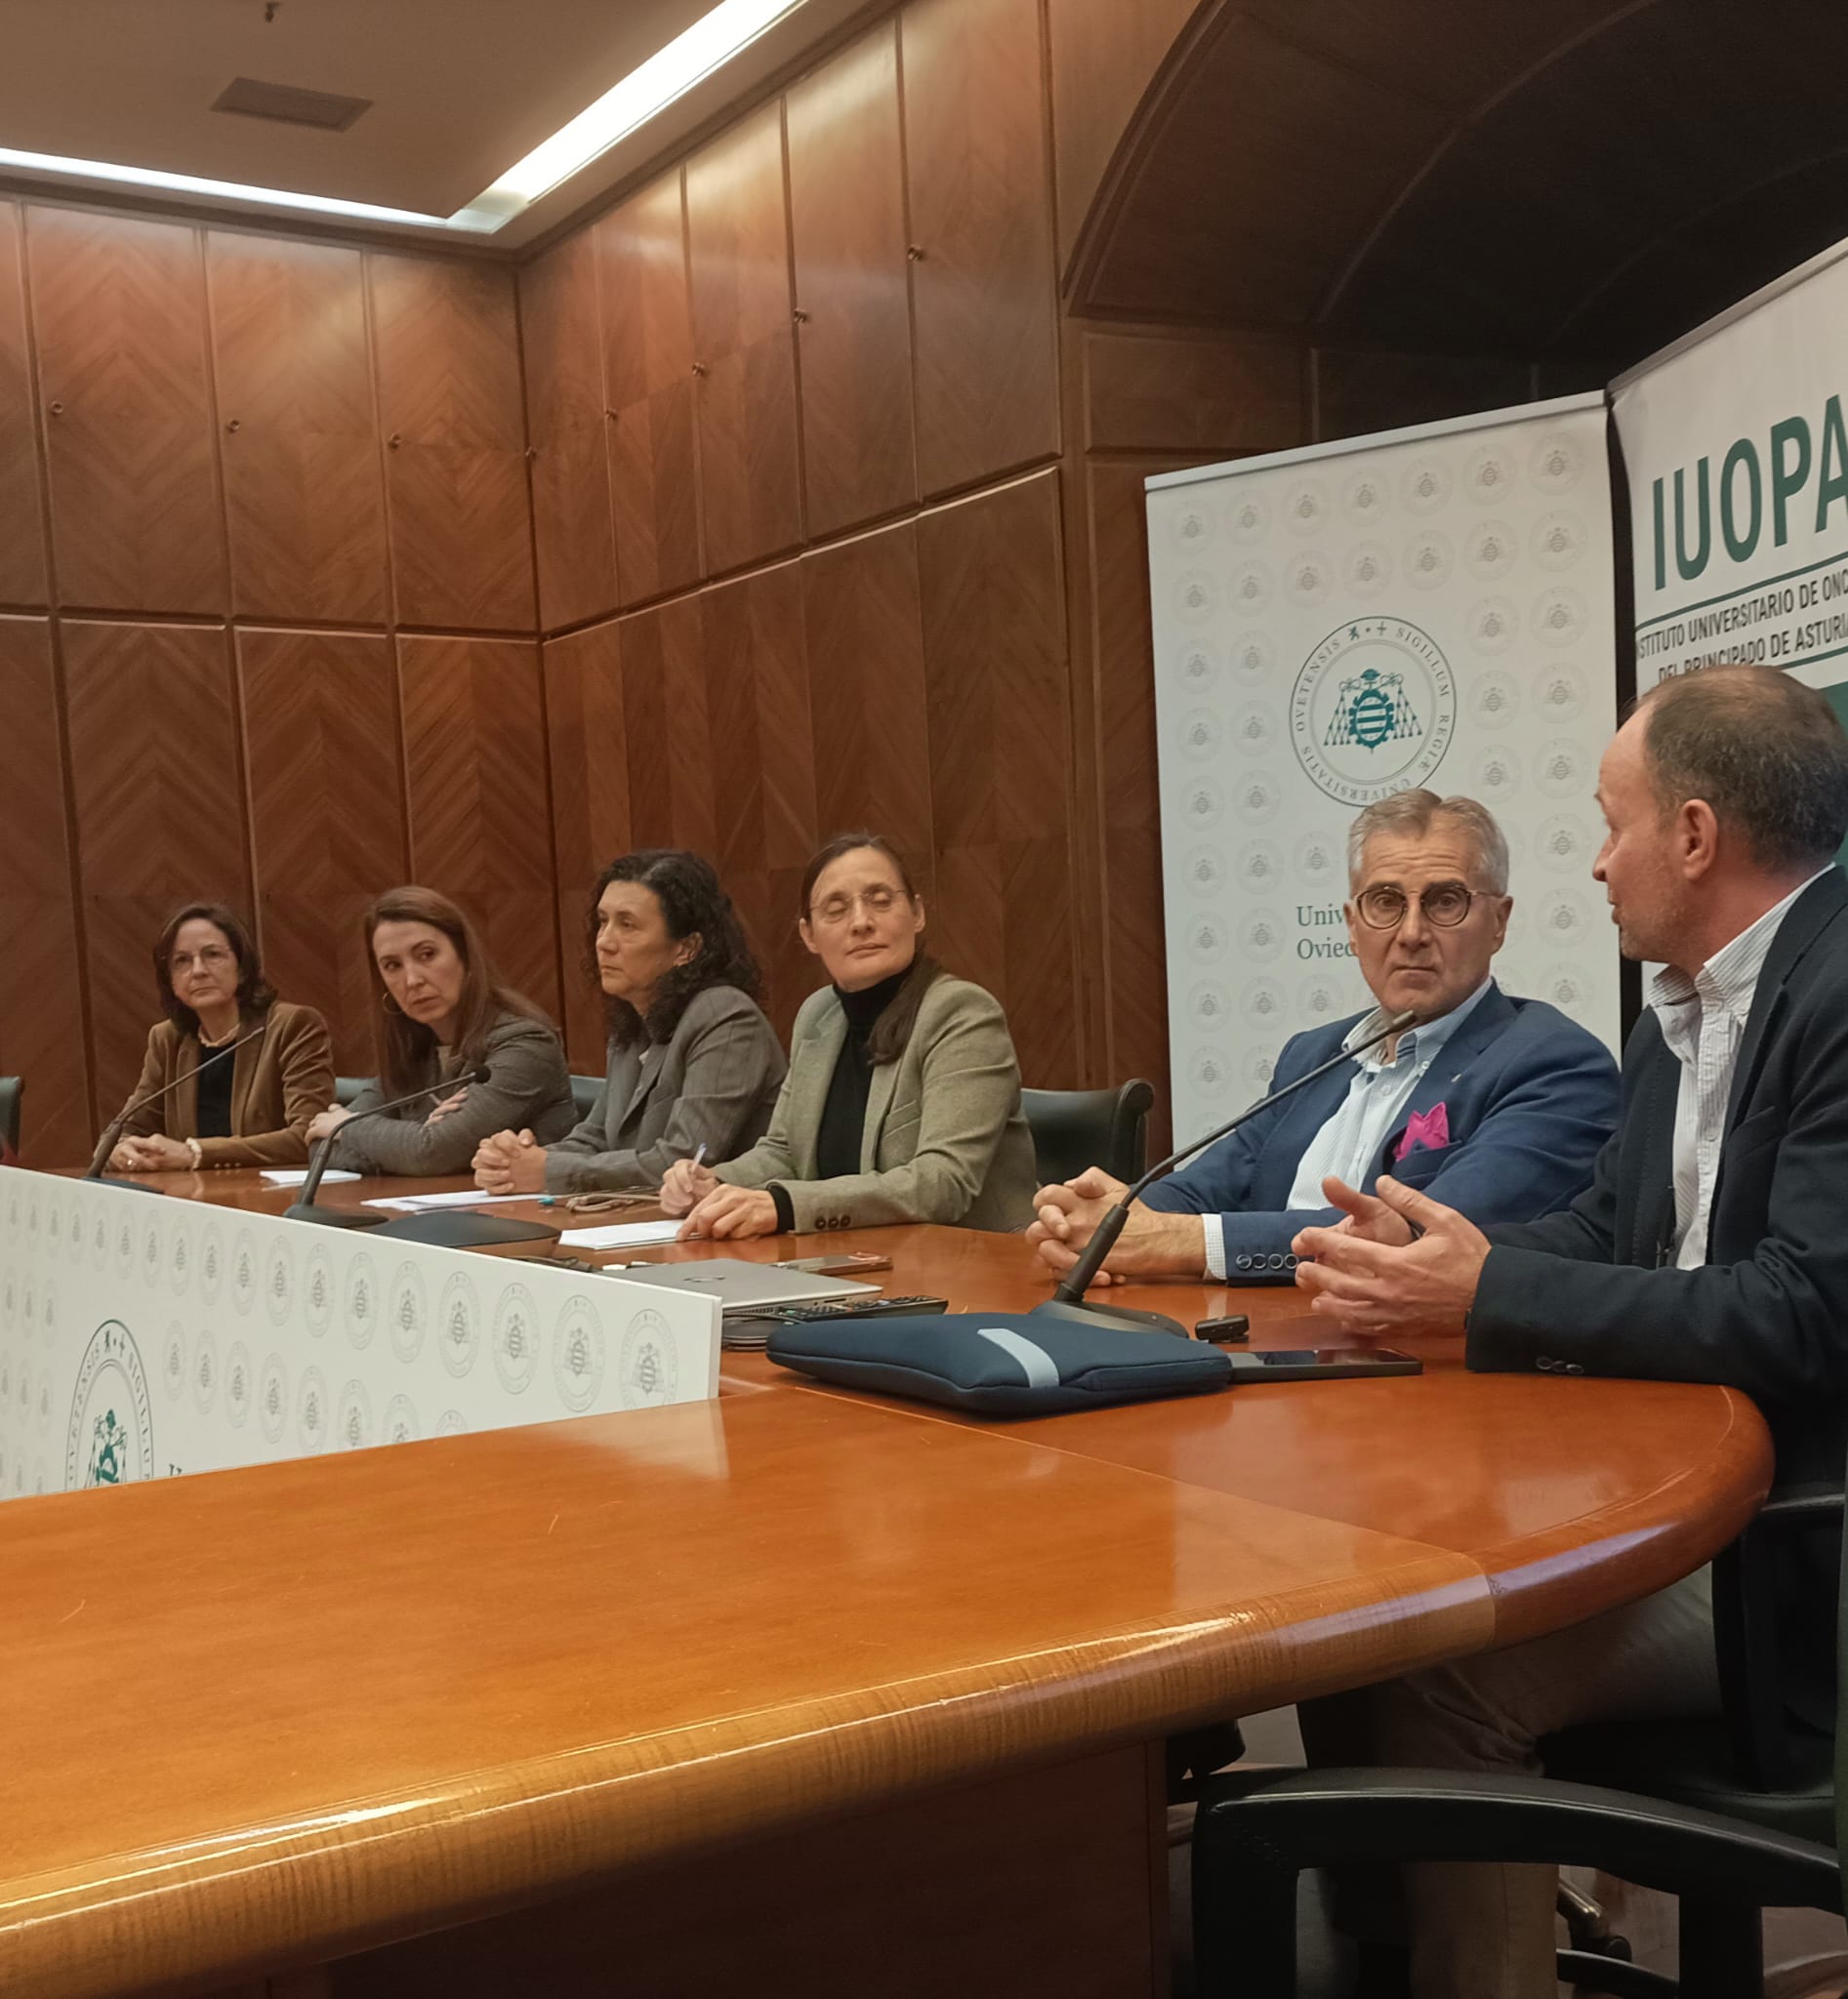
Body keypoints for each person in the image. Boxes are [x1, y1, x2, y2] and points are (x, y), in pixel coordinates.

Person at [1288, 665, 1848, 1999]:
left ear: (1696, 836)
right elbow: (1606, 1235)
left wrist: (1484, 1297)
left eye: (1613, 824)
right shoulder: (1676, 1006)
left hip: (1803, 1560)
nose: (1598, 864)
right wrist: (1429, 1262)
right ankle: (1401, 1950)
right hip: (1686, 1493)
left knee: (1440, 1668)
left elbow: (1805, 1310)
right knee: (1363, 1594)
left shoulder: (1837, 995)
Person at [1026, 792, 1619, 1287]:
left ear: (1498, 922)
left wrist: (1179, 1243)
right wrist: (1107, 1218)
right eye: (1385, 902)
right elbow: (1213, 1184)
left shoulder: (1553, 1064)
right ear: (1353, 926)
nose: (1411, 933)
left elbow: (1421, 1240)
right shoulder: (1314, 1054)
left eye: (1444, 902)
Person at [659, 833, 1037, 1237]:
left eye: (880, 900)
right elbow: (784, 1152)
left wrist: (785, 1207)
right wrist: (714, 1183)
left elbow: (942, 1183)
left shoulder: (962, 1014)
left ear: (917, 913)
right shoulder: (818, 1015)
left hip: (977, 1265)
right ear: (808, 935)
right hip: (860, 1260)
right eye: (836, 910)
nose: (861, 922)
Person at [471, 850, 785, 1195]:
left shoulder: (726, 1018)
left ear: (687, 948)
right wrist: (514, 1163)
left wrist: (547, 1171)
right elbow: (596, 1136)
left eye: (627, 925)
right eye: (603, 921)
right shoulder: (635, 1019)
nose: (604, 942)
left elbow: (685, 1161)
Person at [308, 887, 576, 1177]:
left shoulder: (526, 1045)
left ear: (466, 957)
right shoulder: (415, 1054)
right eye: (392, 965)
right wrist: (412, 1142)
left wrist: (349, 1129)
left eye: (426, 955)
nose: (411, 980)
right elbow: (319, 1147)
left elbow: (432, 1153)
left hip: (527, 1214)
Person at [106, 902, 333, 1170]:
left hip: (271, 1197)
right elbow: (124, 1129)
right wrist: (121, 1148)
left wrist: (196, 1153)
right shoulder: (168, 1039)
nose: (198, 970)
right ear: (171, 981)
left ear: (242, 967)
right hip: (193, 1198)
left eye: (212, 954)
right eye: (182, 961)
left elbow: (307, 1135)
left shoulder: (293, 1025)